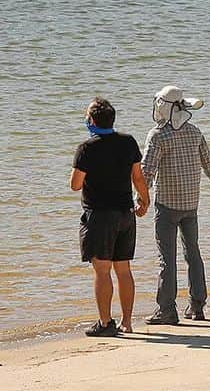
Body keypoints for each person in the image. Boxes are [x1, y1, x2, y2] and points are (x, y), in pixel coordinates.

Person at [140, 85, 210, 325]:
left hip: (167, 205)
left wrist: (141, 200)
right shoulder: (194, 132)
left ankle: (167, 310)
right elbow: (209, 164)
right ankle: (197, 306)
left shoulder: (157, 135)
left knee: (166, 258)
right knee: (193, 253)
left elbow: (146, 172)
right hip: (191, 204)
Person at [70, 97, 149, 337]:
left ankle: (105, 323)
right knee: (123, 270)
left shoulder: (87, 148)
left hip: (100, 216)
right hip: (125, 212)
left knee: (102, 271)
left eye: (87, 116)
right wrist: (145, 200)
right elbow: (138, 177)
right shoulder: (128, 142)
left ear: (92, 120)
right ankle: (127, 322)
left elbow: (75, 185)